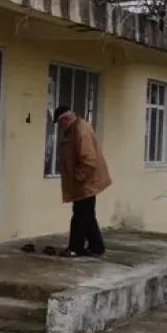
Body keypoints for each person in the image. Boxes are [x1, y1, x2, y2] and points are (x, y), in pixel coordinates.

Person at [53, 105, 111, 257]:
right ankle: (96, 247)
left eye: (60, 123)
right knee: (86, 215)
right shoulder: (75, 129)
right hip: (86, 181)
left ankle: (75, 248)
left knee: (80, 215)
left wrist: (78, 178)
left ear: (65, 119)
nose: (60, 127)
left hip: (86, 182)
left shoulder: (80, 131)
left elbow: (89, 161)